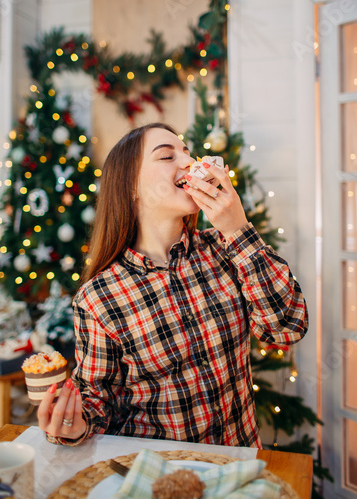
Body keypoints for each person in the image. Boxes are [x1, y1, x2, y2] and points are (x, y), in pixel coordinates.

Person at [37, 122, 308, 448]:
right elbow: (99, 399)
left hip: (239, 470)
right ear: (131, 187)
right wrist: (75, 423)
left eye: (187, 152)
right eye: (167, 156)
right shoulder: (99, 296)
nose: (190, 163)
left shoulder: (225, 250)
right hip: (159, 478)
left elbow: (287, 328)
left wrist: (237, 229)